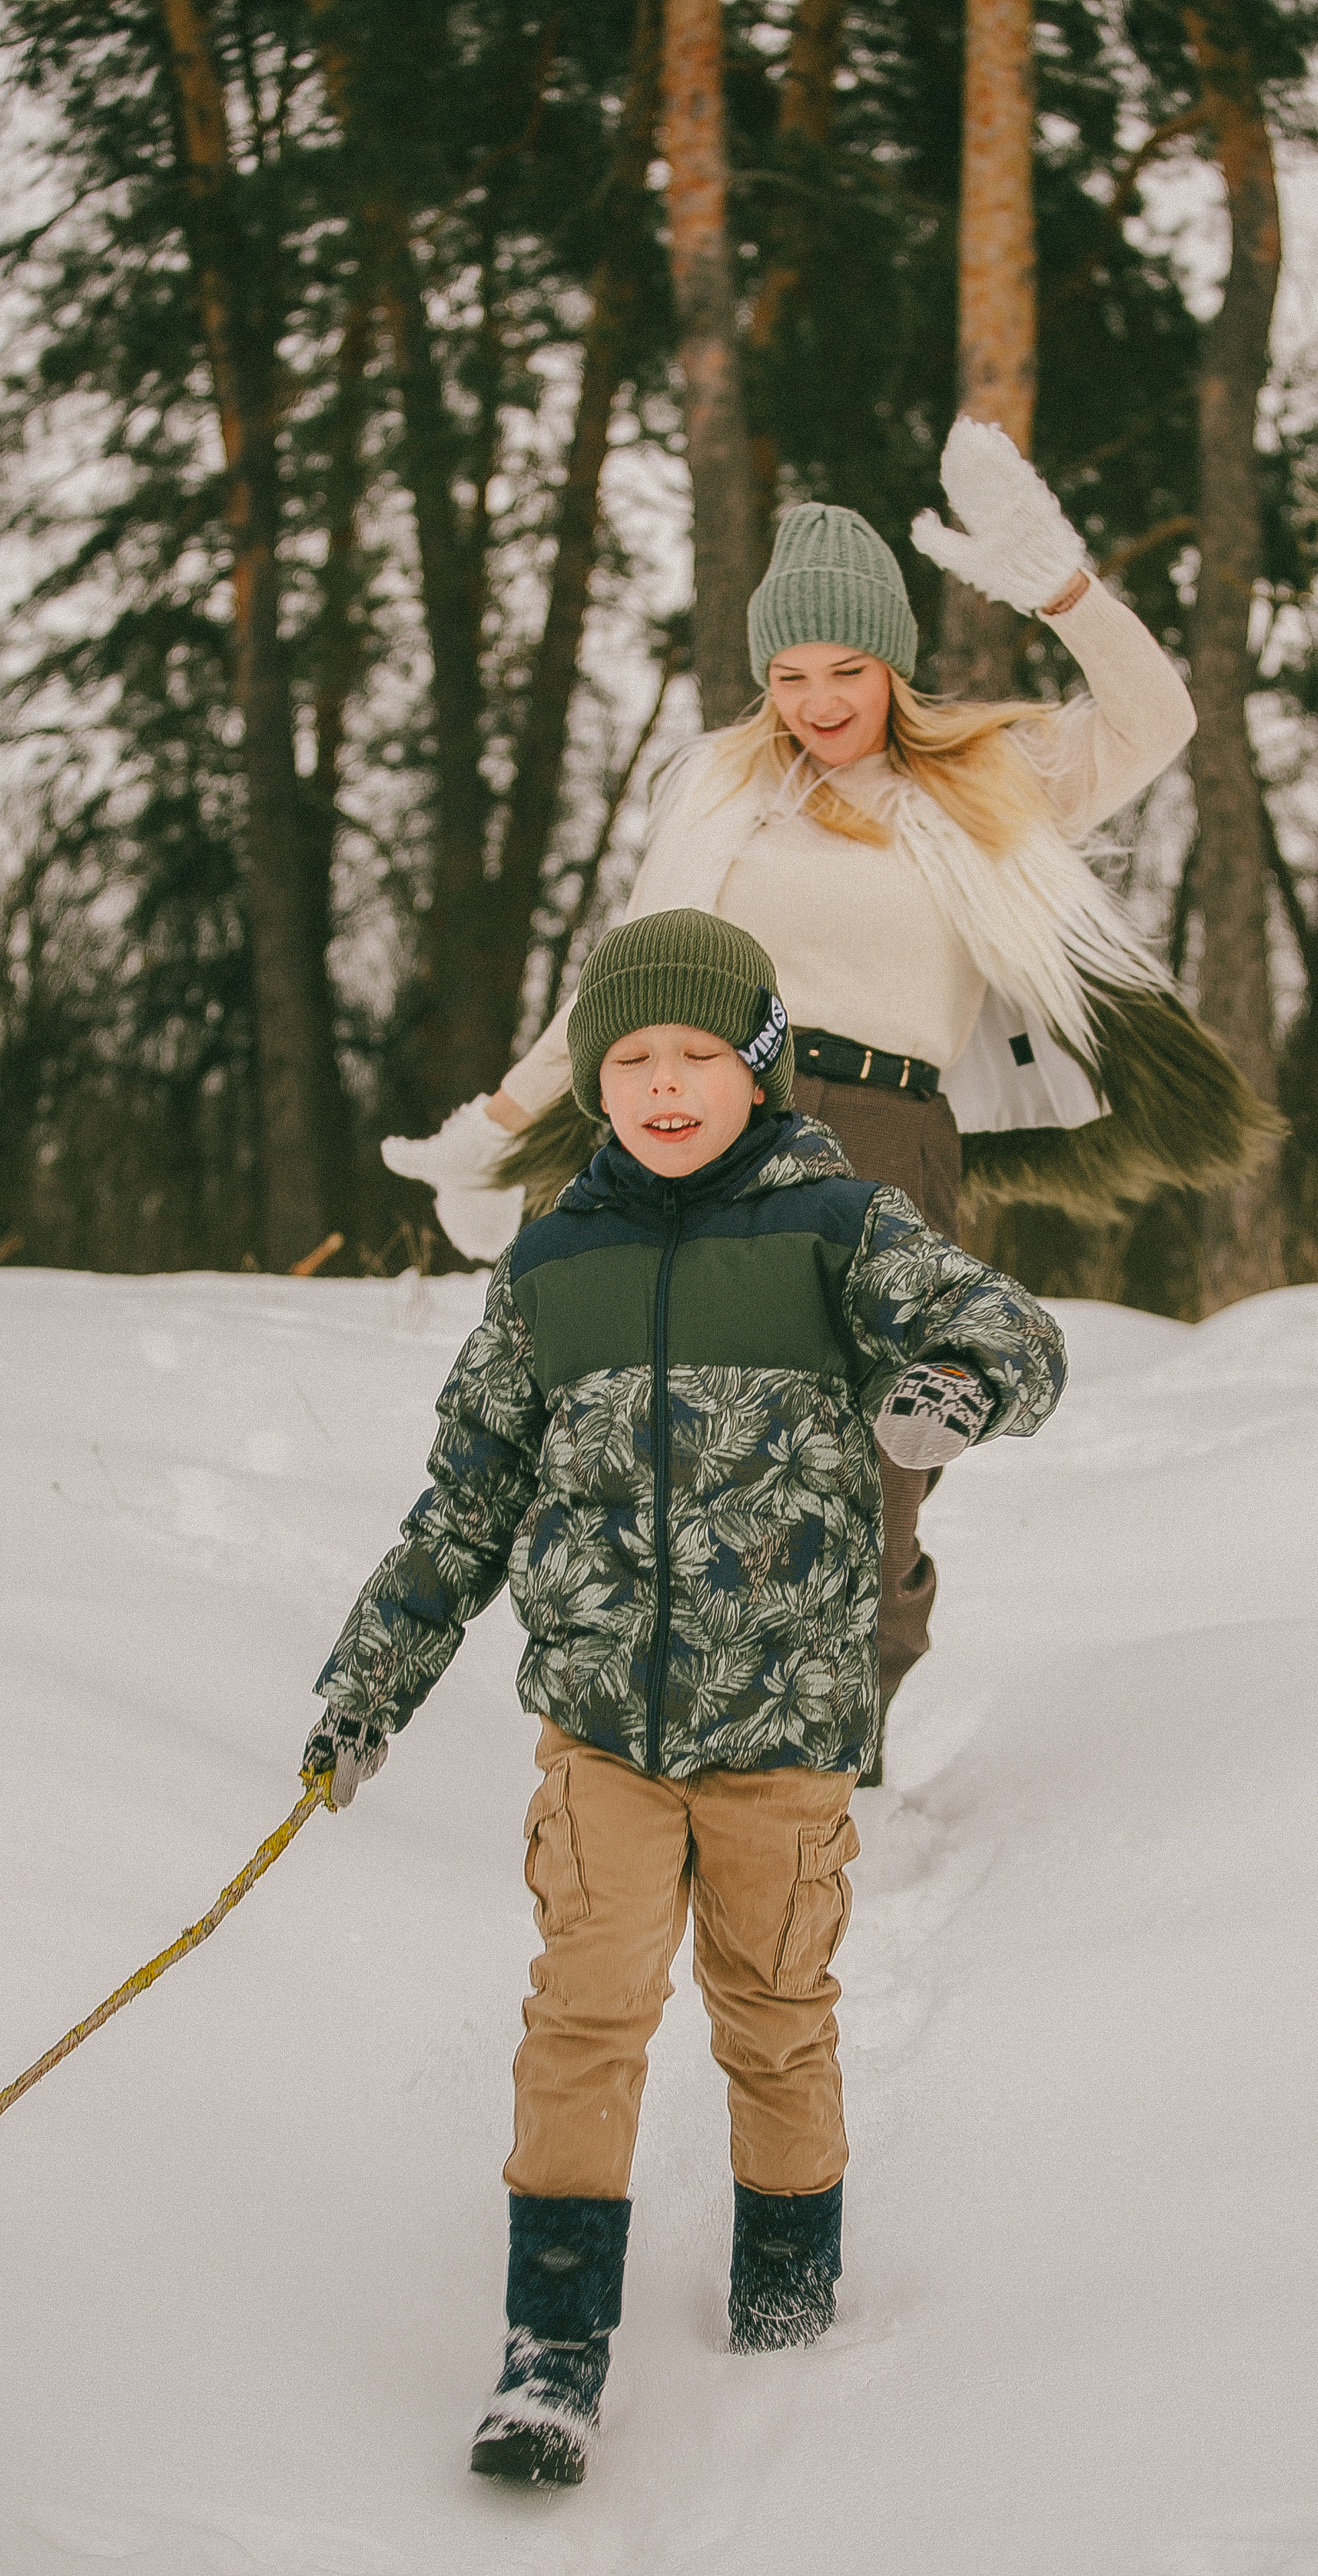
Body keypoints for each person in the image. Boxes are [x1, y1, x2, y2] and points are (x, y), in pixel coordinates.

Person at [383, 419, 1274, 1773]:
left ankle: (851, 1691)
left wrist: (1059, 586)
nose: (813, 699)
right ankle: (680, 1726)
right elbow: (626, 982)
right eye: (786, 673)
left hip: (884, 1149)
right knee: (697, 1432)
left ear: (891, 662)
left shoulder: (986, 777)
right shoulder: (719, 791)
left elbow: (1159, 721)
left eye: (843, 667)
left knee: (874, 1453)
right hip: (722, 1131)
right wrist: (501, 1127)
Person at [305, 909, 1067, 2489]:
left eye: (697, 1056)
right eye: (631, 1059)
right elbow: (462, 1506)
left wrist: (946, 1392)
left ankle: (788, 2305)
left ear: (759, 1068)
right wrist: (366, 1686)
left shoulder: (836, 1227)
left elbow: (1013, 1333)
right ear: (594, 1082)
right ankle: (551, 2351)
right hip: (601, 1732)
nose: (663, 1085)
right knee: (581, 2015)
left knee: (773, 2018)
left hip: (784, 1735)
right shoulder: (548, 1265)